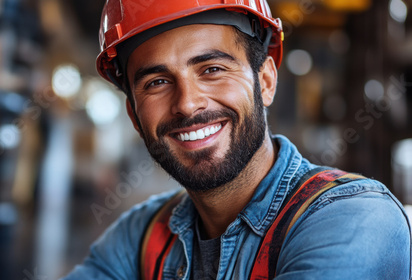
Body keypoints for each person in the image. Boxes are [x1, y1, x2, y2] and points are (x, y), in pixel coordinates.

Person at [63, 0, 412, 279]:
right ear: (134, 117)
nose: (186, 103)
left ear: (266, 82)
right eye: (157, 82)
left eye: (212, 69)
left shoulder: (356, 218)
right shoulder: (139, 237)